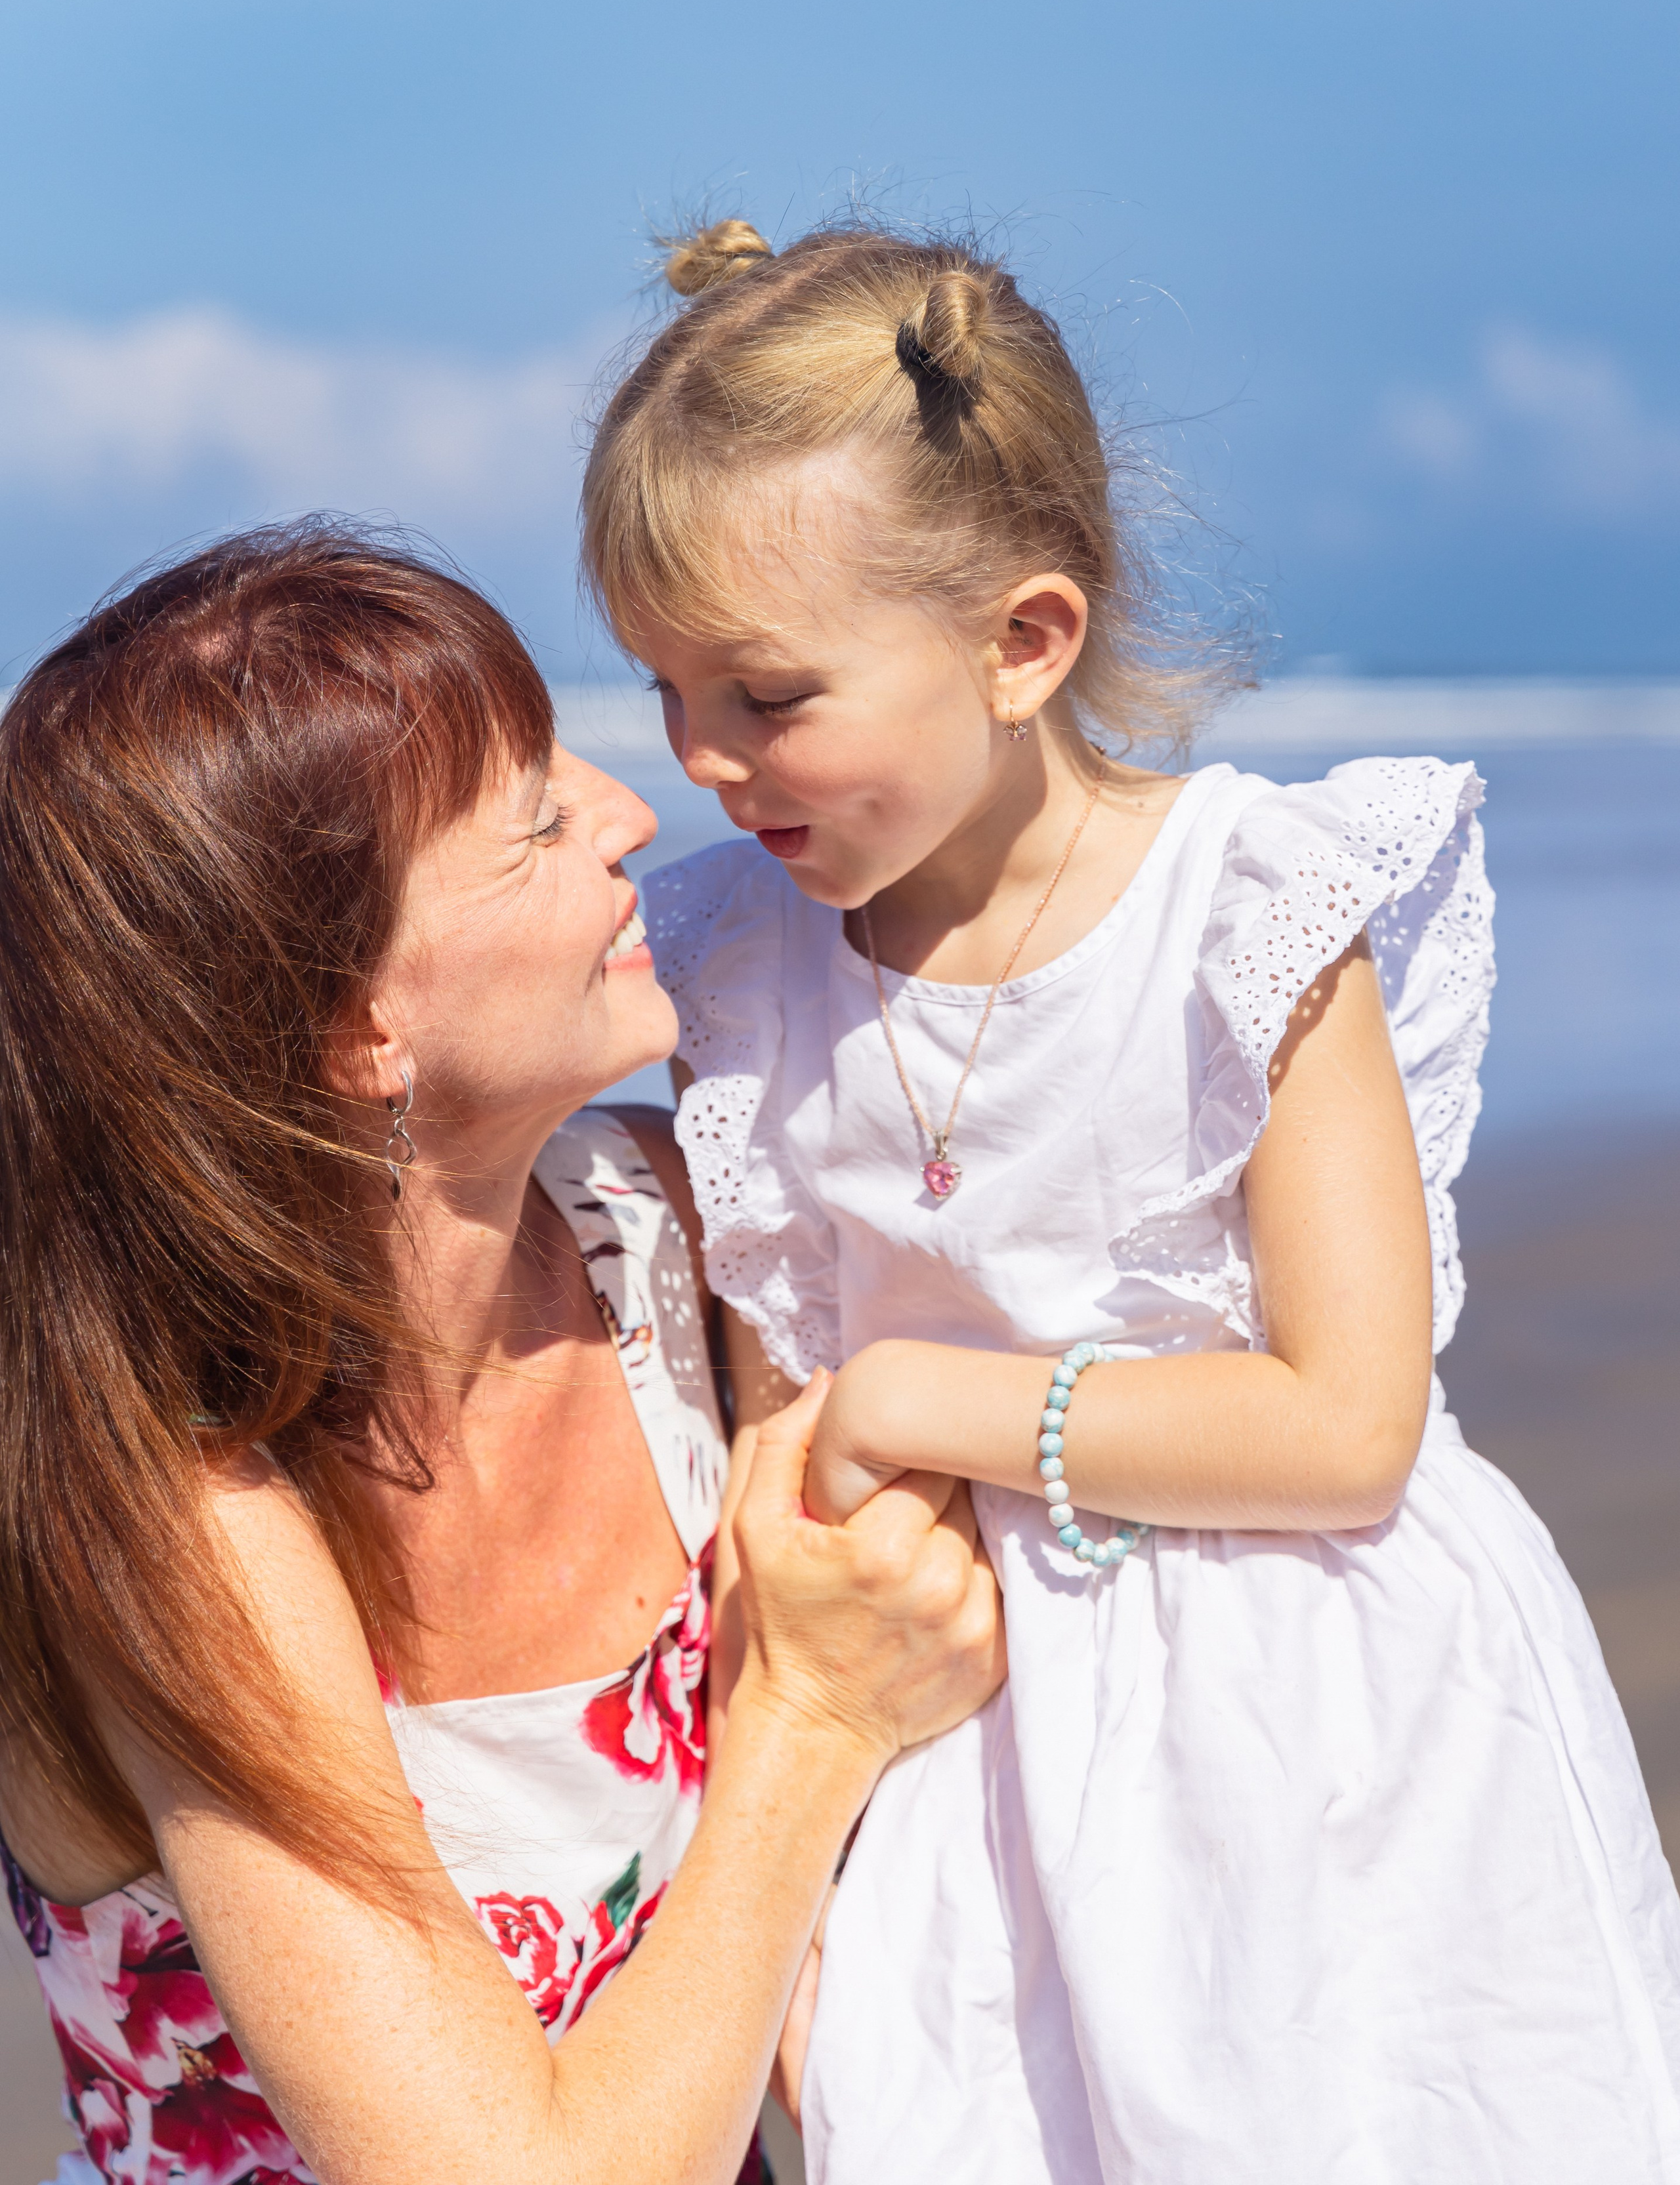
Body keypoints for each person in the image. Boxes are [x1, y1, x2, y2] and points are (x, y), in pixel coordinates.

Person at [580, 219, 1680, 2182]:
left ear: (1026, 642)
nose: (700, 761)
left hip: (1323, 1725)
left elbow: (1346, 1430)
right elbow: (777, 1451)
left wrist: (931, 1400)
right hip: (958, 1721)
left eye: (765, 692)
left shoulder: (1247, 921)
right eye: (662, 689)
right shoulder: (744, 967)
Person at [0, 523, 1003, 2185]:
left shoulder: (678, 1234)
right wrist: (811, 1718)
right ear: (353, 1029)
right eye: (534, 822)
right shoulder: (170, 1495)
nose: (629, 813)